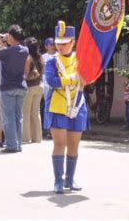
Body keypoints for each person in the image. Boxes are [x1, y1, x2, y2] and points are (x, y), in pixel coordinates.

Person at [44, 21, 89, 194]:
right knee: (59, 143)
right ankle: (58, 180)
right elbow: (52, 81)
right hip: (58, 105)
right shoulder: (52, 62)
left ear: (73, 42)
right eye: (58, 43)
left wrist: (83, 80)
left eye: (65, 43)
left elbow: (87, 79)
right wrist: (72, 79)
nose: (60, 46)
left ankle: (70, 179)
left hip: (77, 105)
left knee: (74, 145)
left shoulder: (80, 60)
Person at [0, 25, 29, 153]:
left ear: (11, 37)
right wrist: (7, 41)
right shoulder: (25, 50)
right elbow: (13, 50)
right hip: (21, 86)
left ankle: (12, 145)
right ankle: (18, 144)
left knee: (8, 117)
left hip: (8, 87)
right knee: (18, 117)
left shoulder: (7, 51)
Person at [23, 37, 45, 143]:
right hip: (40, 86)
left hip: (30, 87)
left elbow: (26, 73)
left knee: (26, 113)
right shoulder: (41, 57)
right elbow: (43, 72)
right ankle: (38, 137)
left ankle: (26, 138)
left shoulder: (28, 58)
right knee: (36, 112)